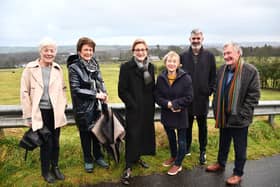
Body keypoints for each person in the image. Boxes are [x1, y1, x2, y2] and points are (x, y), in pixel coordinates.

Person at [206, 42, 260, 185]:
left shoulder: (250, 71)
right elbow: (217, 89)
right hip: (224, 115)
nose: (226, 56)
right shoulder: (222, 69)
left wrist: (242, 114)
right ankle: (220, 163)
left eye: (229, 53)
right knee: (223, 143)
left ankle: (238, 173)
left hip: (240, 118)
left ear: (238, 53)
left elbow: (253, 96)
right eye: (224, 54)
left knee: (239, 147)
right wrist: (215, 106)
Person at [20, 38, 67, 183]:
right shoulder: (30, 68)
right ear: (40, 52)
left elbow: (63, 89)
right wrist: (28, 116)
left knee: (56, 142)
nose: (49, 53)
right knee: (46, 143)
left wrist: (63, 104)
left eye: (52, 50)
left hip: (55, 112)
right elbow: (24, 92)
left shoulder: (58, 69)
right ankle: (45, 171)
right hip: (40, 112)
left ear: (55, 52)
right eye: (46, 50)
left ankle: (55, 167)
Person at [67, 37, 109, 173]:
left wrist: (104, 93)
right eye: (86, 50)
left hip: (96, 106)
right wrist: (95, 95)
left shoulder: (94, 63)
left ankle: (98, 157)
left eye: (91, 50)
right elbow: (76, 89)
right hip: (82, 108)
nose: (88, 52)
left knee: (97, 133)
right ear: (79, 51)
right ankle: (88, 159)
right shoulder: (74, 67)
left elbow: (100, 80)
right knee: (85, 135)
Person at [118, 39, 156, 185]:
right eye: (137, 50)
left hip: (147, 108)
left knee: (143, 133)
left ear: (147, 51)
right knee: (133, 135)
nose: (140, 52)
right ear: (133, 51)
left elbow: (153, 87)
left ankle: (138, 157)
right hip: (133, 108)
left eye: (143, 49)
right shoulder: (126, 67)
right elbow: (122, 90)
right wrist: (132, 104)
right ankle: (128, 165)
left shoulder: (151, 67)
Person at [180, 29, 216, 164]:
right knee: (187, 125)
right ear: (189, 39)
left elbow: (213, 76)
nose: (196, 41)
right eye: (193, 38)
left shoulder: (209, 56)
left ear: (202, 39)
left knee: (203, 126)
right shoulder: (182, 56)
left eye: (198, 38)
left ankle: (203, 151)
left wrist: (210, 90)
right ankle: (187, 148)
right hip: (187, 98)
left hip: (202, 98)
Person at [155, 51, 193, 176]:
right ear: (165, 63)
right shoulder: (161, 78)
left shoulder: (186, 78)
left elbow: (189, 97)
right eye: (169, 61)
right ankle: (173, 156)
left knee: (182, 141)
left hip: (181, 113)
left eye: (174, 61)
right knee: (171, 138)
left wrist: (175, 104)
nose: (171, 64)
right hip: (167, 113)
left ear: (178, 64)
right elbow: (157, 96)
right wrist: (168, 104)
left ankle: (178, 164)